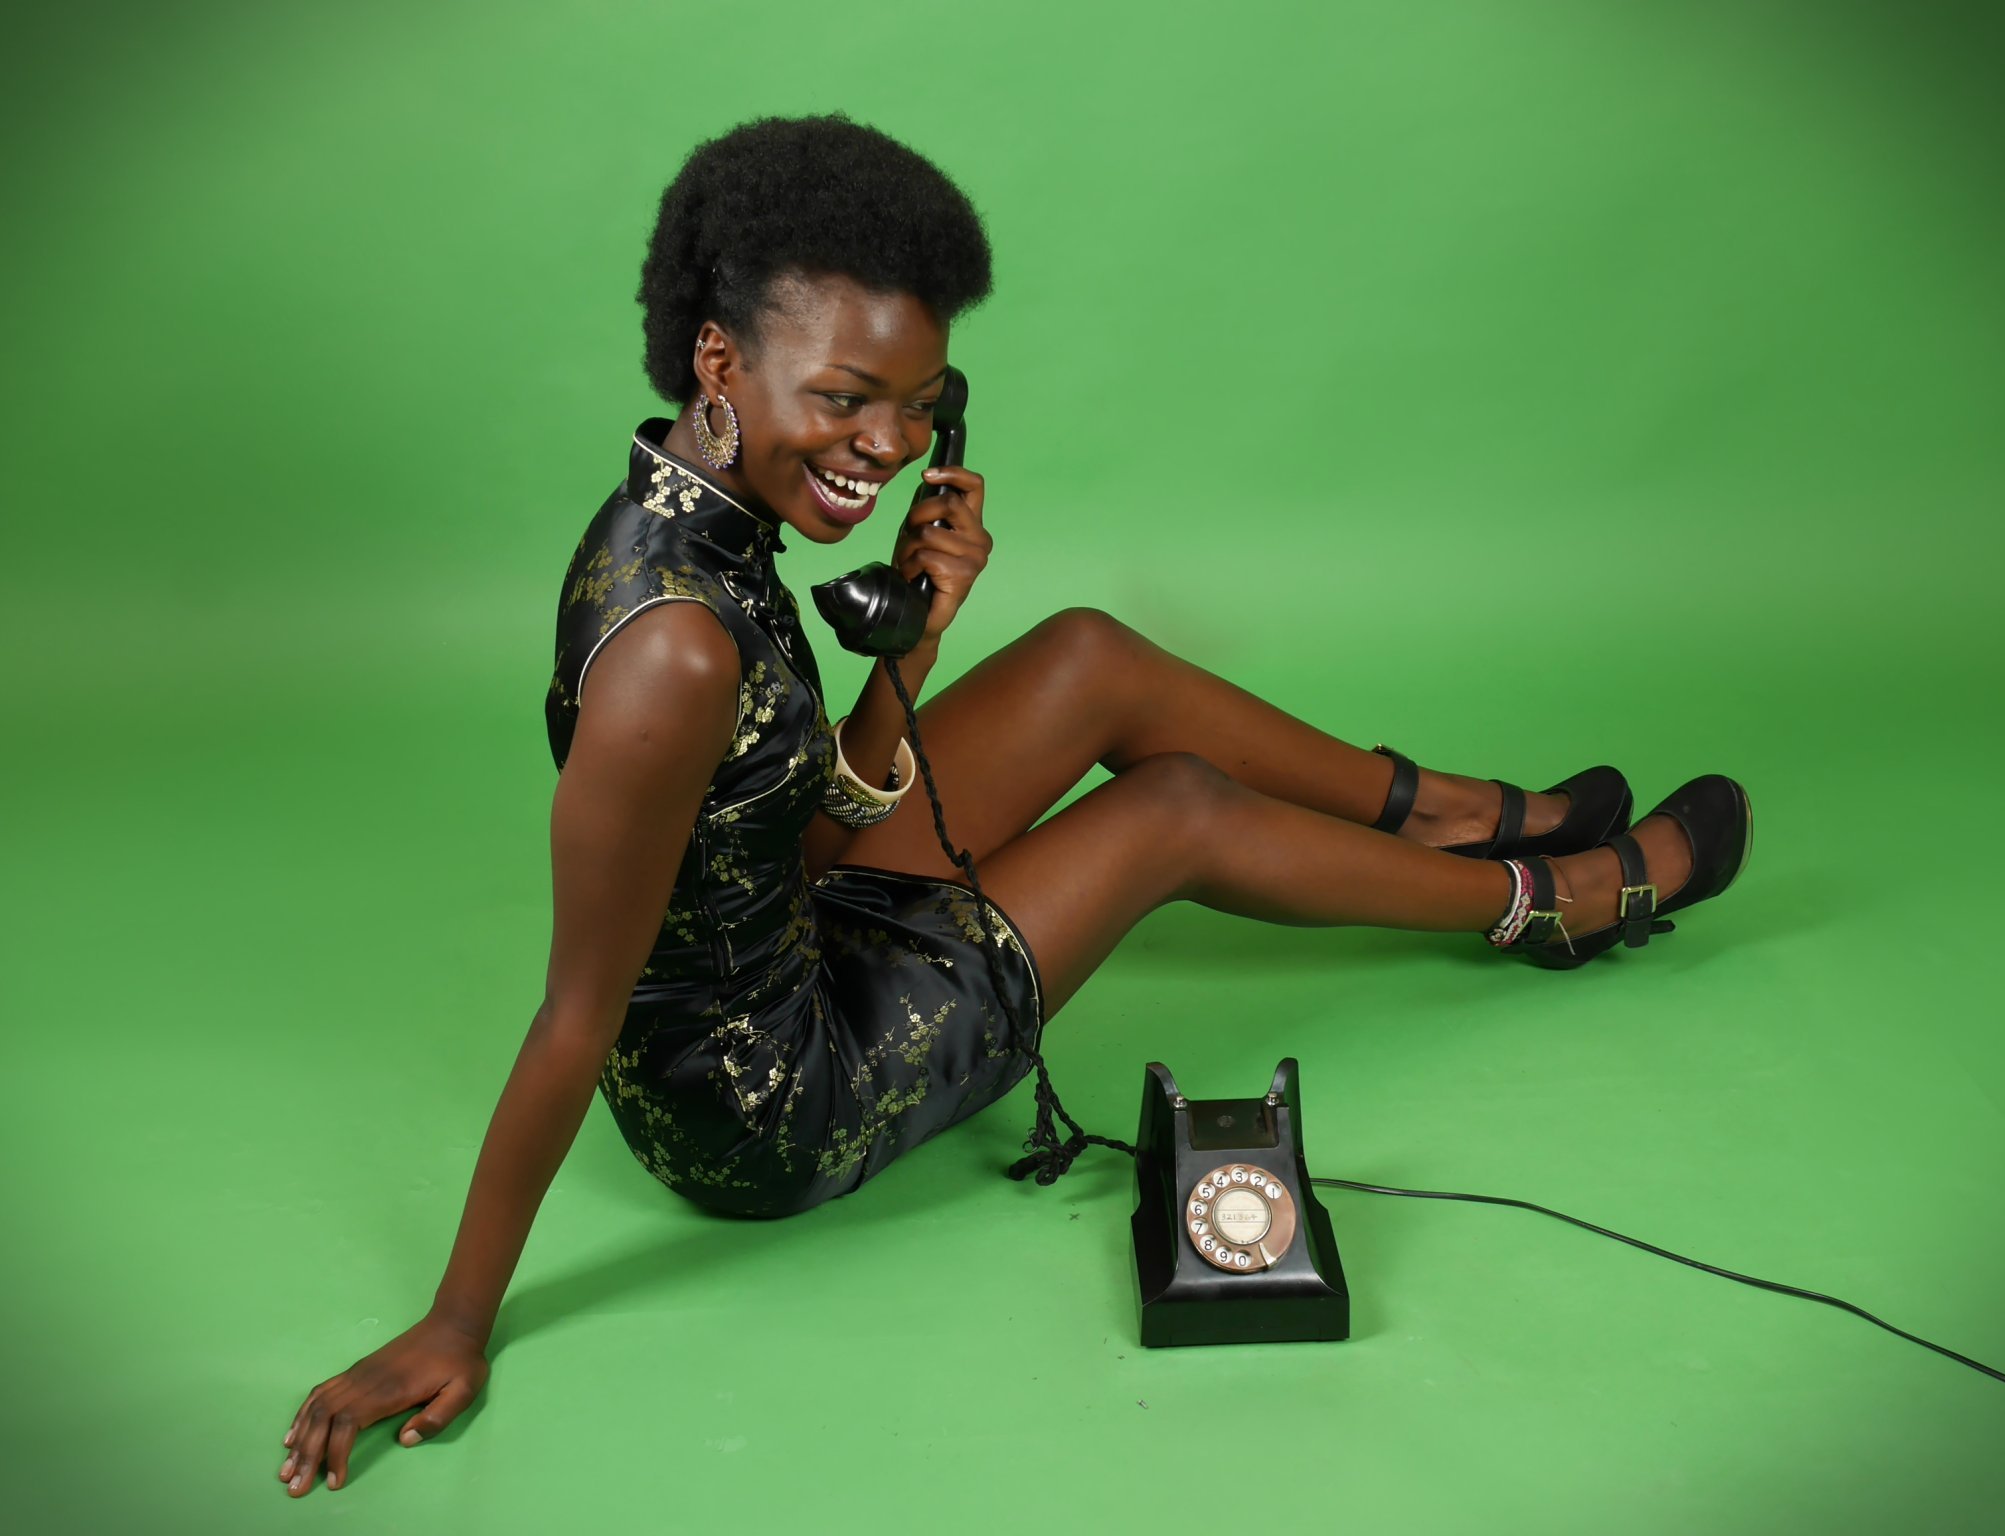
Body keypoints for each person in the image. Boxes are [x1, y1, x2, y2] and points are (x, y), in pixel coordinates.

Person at [277, 111, 1752, 1496]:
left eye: (918, 409)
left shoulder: (694, 518)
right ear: (720, 360)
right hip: (765, 1096)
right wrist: (457, 1320)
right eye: (845, 399)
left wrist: (912, 642)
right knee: (1173, 809)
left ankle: (1451, 812)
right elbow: (575, 1017)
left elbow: (786, 827)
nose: (886, 447)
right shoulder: (672, 647)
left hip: (790, 922)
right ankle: (1546, 901)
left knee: (1088, 656)